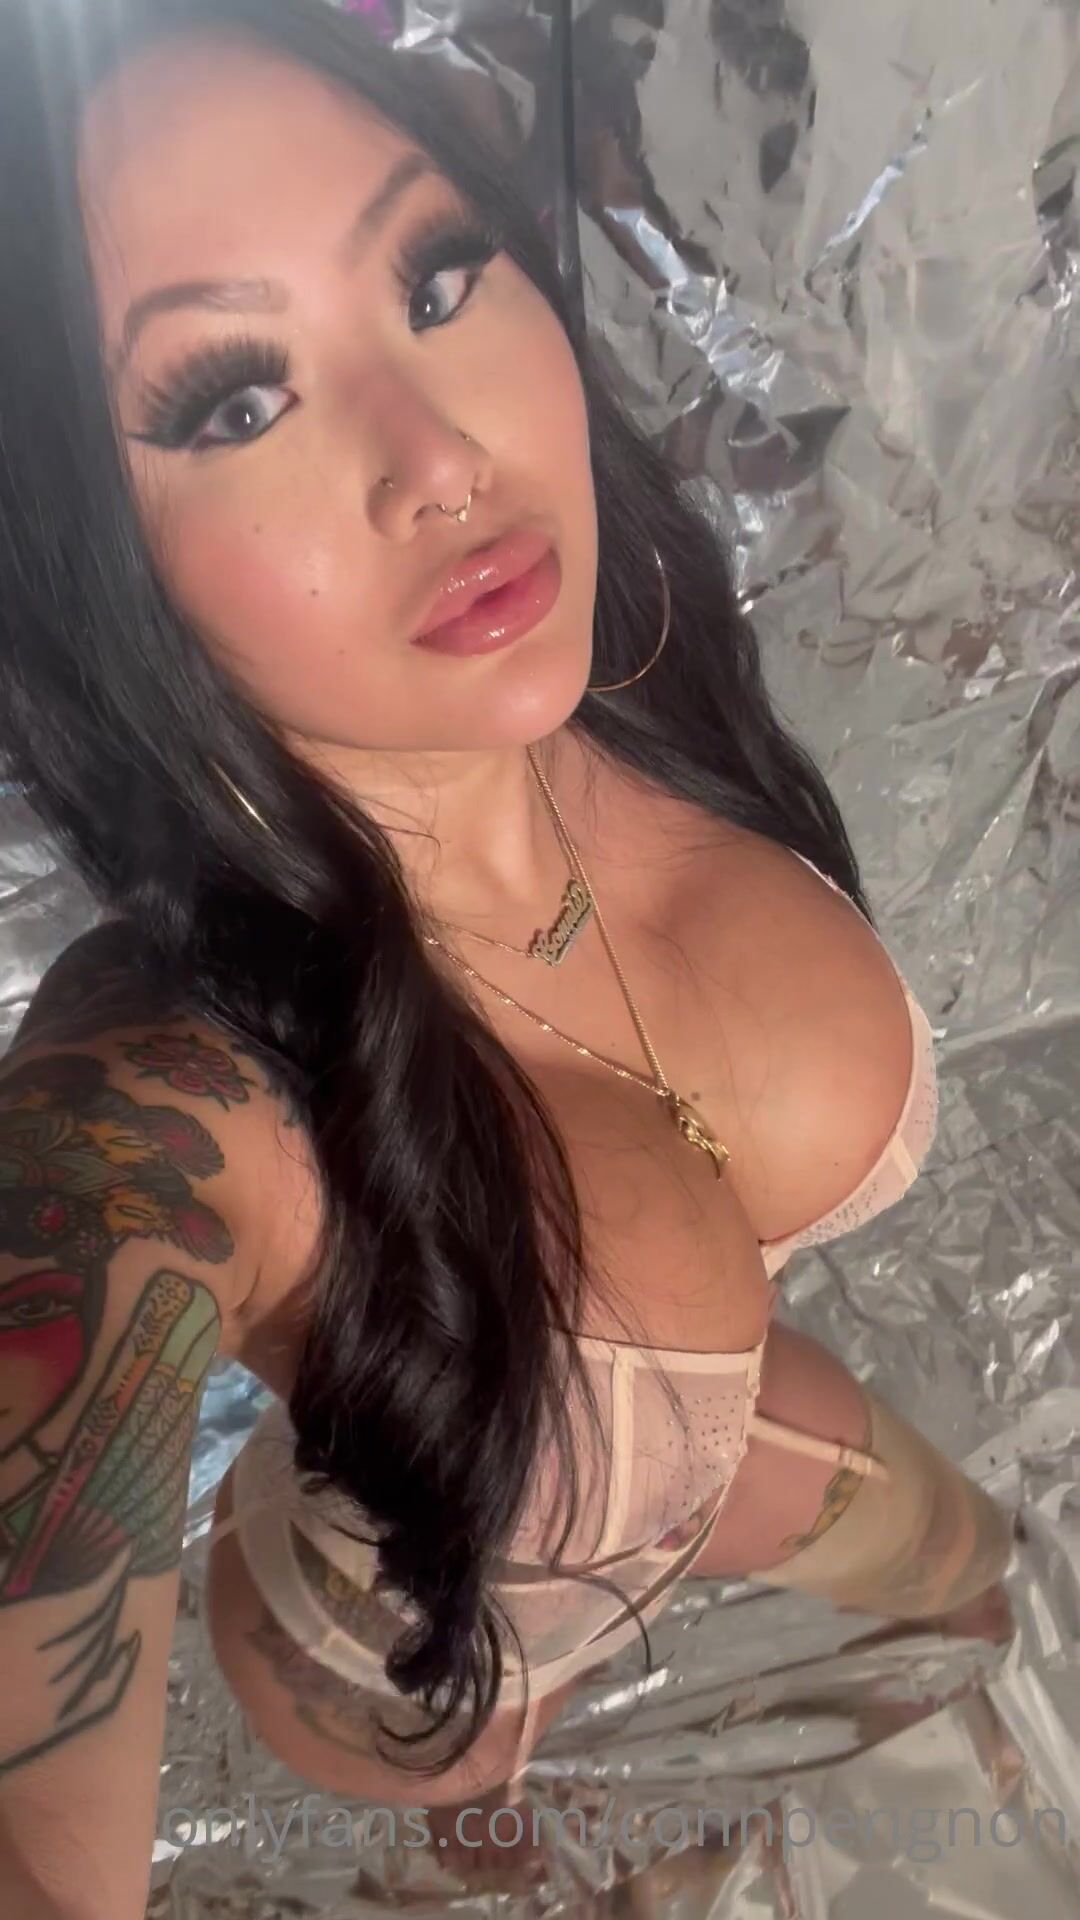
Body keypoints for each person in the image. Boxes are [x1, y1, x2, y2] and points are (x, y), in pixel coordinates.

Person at [0, 0, 1016, 1910]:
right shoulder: (166, 1112)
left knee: (982, 1580)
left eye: (436, 272)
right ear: (81, 562)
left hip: (696, 1425)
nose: (443, 455)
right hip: (387, 1630)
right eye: (234, 401)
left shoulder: (624, 655)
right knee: (487, 1810)